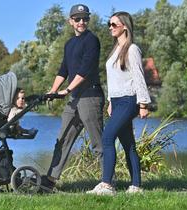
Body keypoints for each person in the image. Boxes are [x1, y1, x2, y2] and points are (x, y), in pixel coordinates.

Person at [41, 3, 105, 192]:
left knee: (98, 142)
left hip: (90, 97)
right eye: (77, 19)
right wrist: (53, 91)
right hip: (74, 99)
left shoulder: (92, 40)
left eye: (85, 18)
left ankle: (108, 181)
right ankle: (51, 180)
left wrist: (67, 90)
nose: (81, 22)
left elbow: (85, 70)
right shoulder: (70, 44)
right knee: (63, 140)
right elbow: (64, 69)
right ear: (70, 21)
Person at [86, 11, 151, 195]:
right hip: (117, 101)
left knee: (107, 138)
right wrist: (110, 101)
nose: (110, 27)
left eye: (114, 24)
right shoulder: (116, 49)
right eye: (109, 24)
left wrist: (143, 104)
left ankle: (107, 185)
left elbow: (139, 77)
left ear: (125, 26)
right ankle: (136, 186)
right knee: (128, 144)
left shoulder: (132, 49)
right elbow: (114, 79)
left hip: (129, 100)